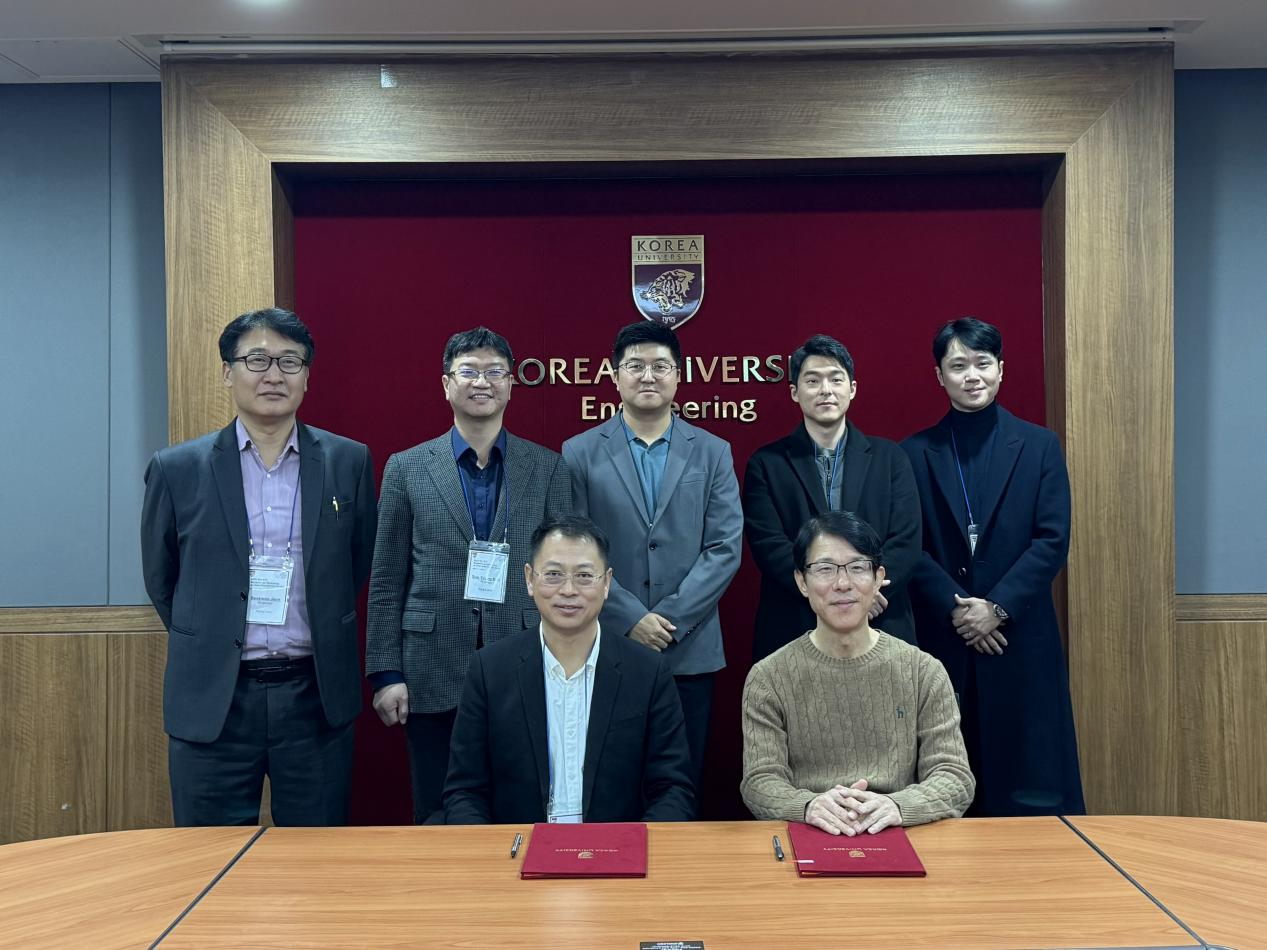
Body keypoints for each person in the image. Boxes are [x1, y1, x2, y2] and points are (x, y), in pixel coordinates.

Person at [141, 307, 377, 826]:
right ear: (228, 372)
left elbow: (357, 563)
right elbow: (162, 578)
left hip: (314, 696)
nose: (274, 375)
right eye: (257, 360)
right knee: (209, 858)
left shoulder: (348, 461)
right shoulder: (176, 469)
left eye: (290, 361)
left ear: (307, 376)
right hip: (215, 697)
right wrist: (212, 635)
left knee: (314, 858)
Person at [365, 327, 572, 823]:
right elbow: (387, 578)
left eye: (495, 371)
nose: (483, 382)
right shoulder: (407, 468)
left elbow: (563, 577)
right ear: (446, 384)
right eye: (469, 371)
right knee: (438, 810)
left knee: (521, 806)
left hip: (524, 661)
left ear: (511, 384)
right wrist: (386, 674)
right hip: (430, 667)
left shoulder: (547, 468)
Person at [901, 317, 1084, 816]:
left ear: (1001, 369)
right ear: (940, 375)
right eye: (958, 365)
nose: (972, 376)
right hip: (947, 637)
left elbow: (1052, 540)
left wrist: (997, 608)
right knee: (949, 774)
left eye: (982, 363)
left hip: (1019, 636)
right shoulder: (913, 453)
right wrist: (961, 610)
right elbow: (909, 545)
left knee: (1030, 777)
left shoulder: (1040, 445)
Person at [563, 321, 743, 790]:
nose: (648, 376)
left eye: (660, 366)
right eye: (635, 366)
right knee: (611, 778)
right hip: (608, 643)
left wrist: (669, 621)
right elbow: (577, 550)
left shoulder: (713, 452)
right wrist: (630, 618)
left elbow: (724, 547)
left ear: (678, 375)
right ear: (614, 375)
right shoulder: (579, 453)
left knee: (681, 778)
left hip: (690, 648)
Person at [442, 515, 695, 824]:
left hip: (614, 847)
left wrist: (632, 847)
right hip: (518, 846)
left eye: (584, 576)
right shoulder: (490, 670)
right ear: (529, 579)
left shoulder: (647, 672)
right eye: (553, 574)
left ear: (607, 583)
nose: (568, 590)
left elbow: (672, 790)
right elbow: (464, 791)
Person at [740, 511, 974, 835]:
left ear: (878, 578)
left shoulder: (923, 671)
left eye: (857, 567)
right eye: (825, 569)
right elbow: (760, 782)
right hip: (809, 830)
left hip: (899, 829)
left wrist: (897, 805)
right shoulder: (768, 678)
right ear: (801, 581)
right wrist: (809, 805)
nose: (842, 584)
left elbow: (954, 777)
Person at [743, 334, 921, 661]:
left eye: (835, 379)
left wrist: (864, 593)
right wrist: (826, 592)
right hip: (795, 625)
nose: (825, 389)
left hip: (881, 620)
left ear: (852, 389)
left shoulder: (890, 458)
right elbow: (769, 546)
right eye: (813, 380)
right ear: (795, 392)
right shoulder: (766, 464)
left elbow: (906, 539)